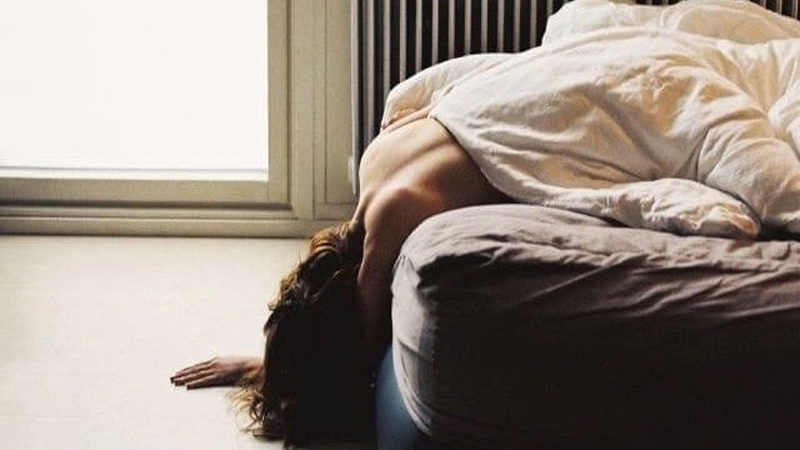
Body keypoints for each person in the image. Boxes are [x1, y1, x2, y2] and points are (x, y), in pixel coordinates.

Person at [170, 105, 509, 446]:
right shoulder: (373, 161)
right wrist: (269, 369)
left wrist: (265, 373)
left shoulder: (385, 231)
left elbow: (359, 366)